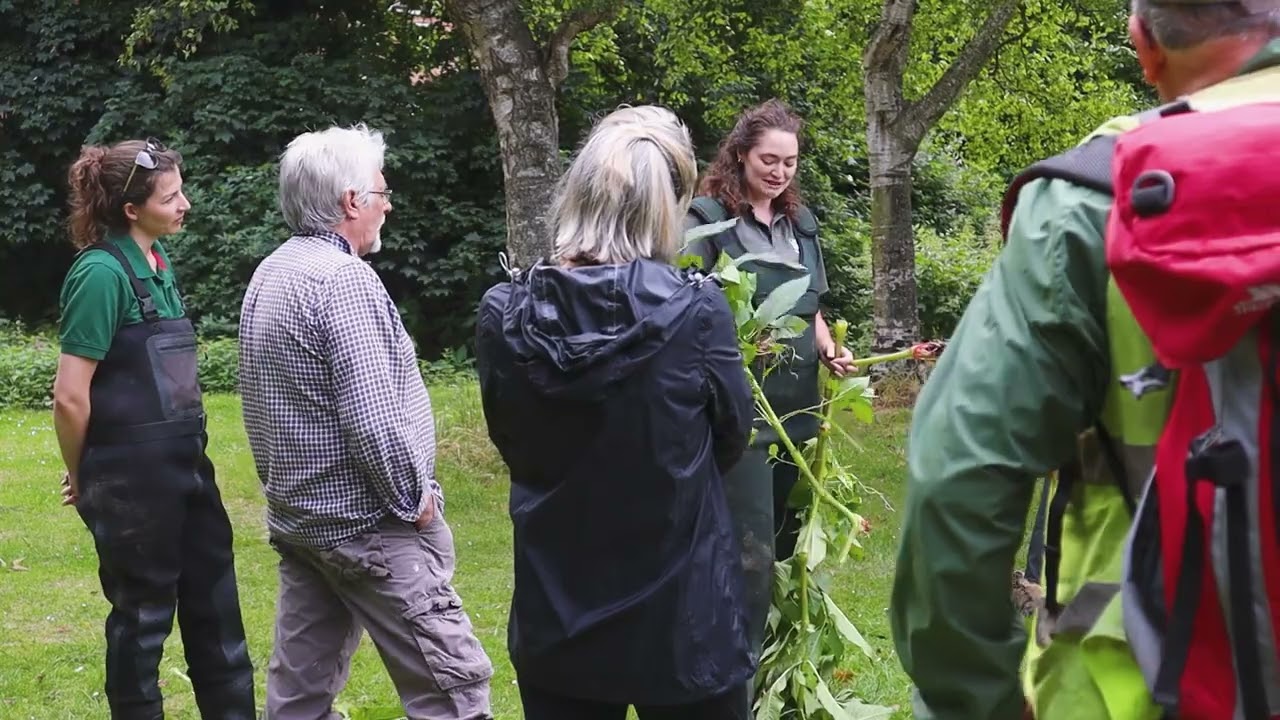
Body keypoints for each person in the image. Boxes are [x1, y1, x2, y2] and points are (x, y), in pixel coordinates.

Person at [888, 2, 1280, 718]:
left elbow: (958, 476)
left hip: (1130, 684)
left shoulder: (1093, 200)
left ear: (1144, 46)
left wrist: (975, 700)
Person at [474, 104, 757, 720]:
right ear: (667, 207)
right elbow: (732, 437)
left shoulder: (505, 314)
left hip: (561, 605)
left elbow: (513, 439)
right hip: (683, 612)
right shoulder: (696, 313)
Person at [237, 123, 493, 720]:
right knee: (455, 692)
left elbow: (257, 408)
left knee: (297, 703)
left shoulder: (271, 272)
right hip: (368, 528)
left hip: (303, 525)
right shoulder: (345, 282)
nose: (386, 206)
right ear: (352, 202)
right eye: (381, 194)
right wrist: (416, 500)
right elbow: (374, 419)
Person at [53, 138, 256, 719]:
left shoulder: (157, 265)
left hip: (188, 467)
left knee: (217, 610)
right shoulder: (98, 274)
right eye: (171, 197)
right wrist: (80, 471)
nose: (185, 203)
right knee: (142, 623)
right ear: (131, 210)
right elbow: (70, 396)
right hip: (130, 481)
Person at [682, 98, 854, 675]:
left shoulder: (800, 225)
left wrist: (830, 348)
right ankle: (734, 678)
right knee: (748, 559)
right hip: (743, 420)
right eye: (768, 160)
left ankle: (783, 677)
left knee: (789, 551)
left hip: (802, 412)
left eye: (790, 162)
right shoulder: (704, 221)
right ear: (739, 156)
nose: (779, 173)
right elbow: (681, 310)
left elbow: (811, 308)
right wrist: (737, 340)